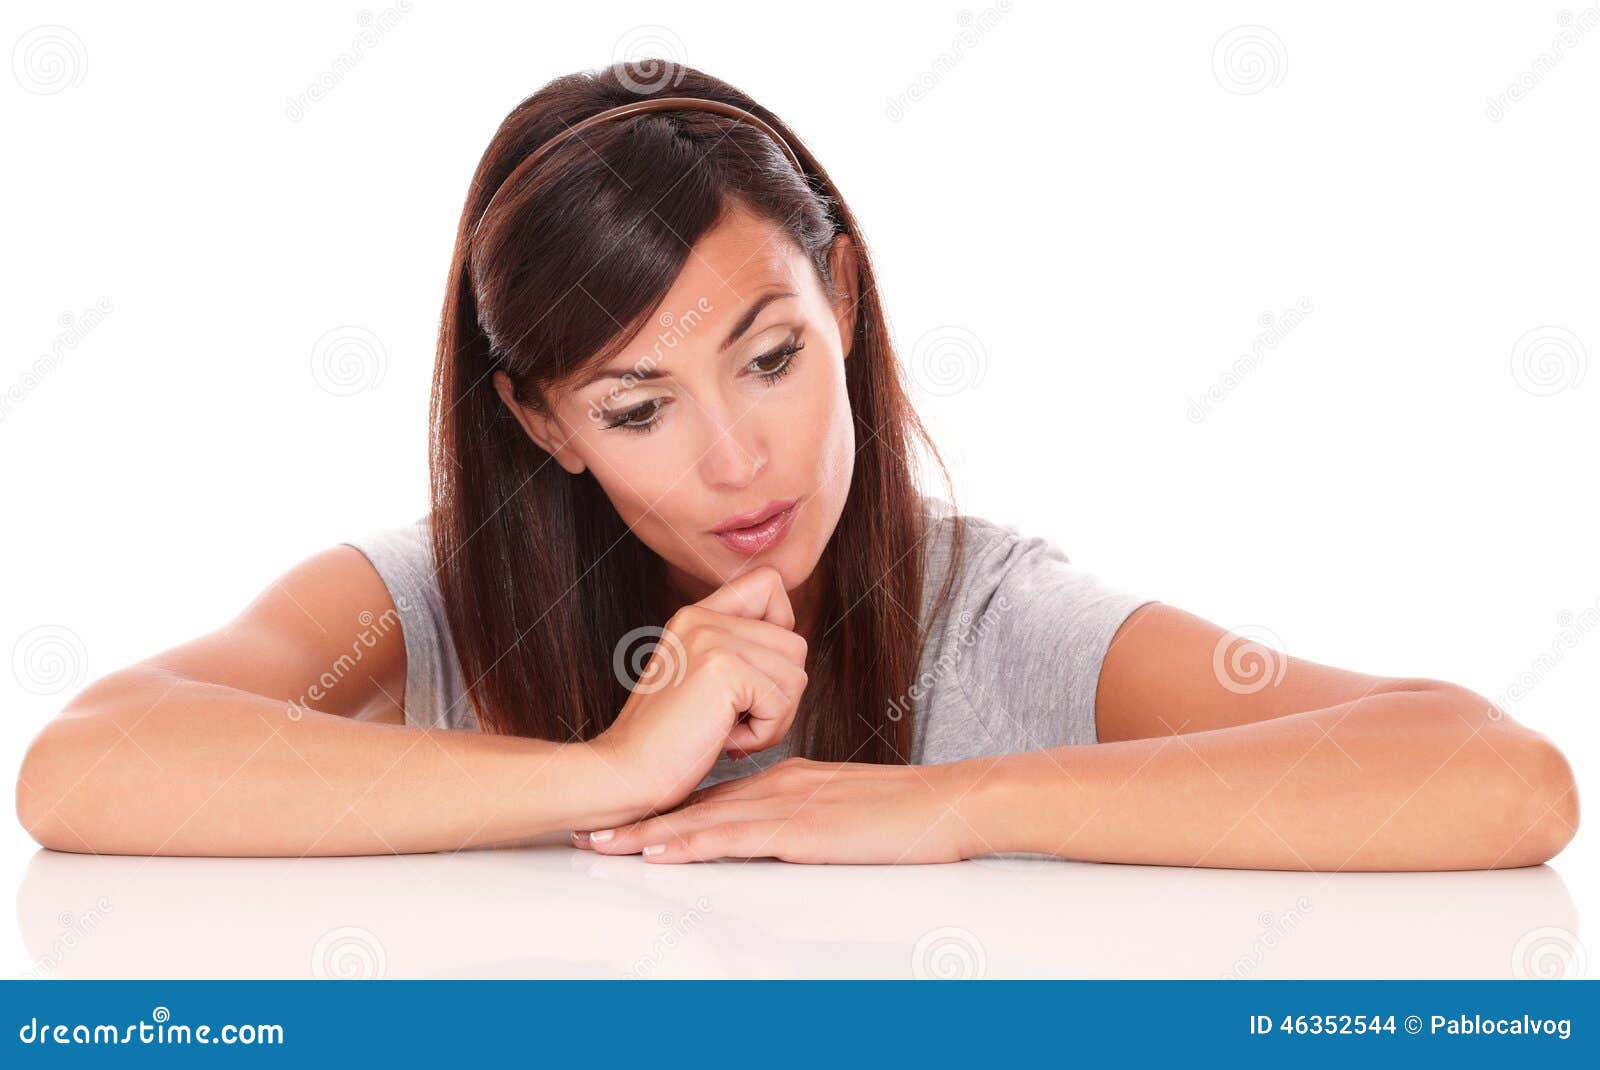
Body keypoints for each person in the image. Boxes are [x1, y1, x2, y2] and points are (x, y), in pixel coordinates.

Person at [15, 63, 1578, 870]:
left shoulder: (981, 619)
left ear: (843, 299)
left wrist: (952, 804)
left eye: (770, 356)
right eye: (636, 409)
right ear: (544, 423)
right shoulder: (419, 600)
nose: (737, 455)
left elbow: (1499, 778)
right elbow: (84, 766)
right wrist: (605, 772)